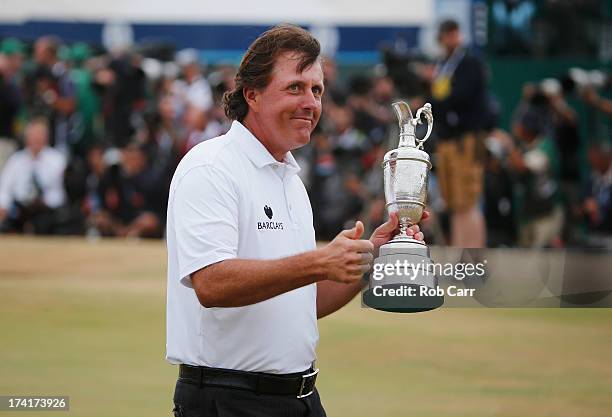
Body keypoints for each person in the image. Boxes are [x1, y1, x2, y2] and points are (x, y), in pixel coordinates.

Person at [166, 25, 426, 417]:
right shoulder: (210, 167)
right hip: (227, 399)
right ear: (251, 94)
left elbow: (303, 301)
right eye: (295, 88)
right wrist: (320, 262)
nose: (311, 102)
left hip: (301, 398)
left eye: (317, 90)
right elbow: (211, 282)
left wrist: (368, 258)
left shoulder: (289, 178)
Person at [428, 19, 488, 247]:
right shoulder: (442, 63)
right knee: (454, 203)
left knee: (467, 202)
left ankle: (472, 260)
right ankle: (461, 259)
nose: (451, 38)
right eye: (447, 33)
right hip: (447, 139)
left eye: (454, 33)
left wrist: (435, 100)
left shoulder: (469, 63)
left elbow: (458, 96)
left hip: (465, 139)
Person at [0, 118, 67, 234]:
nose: (36, 139)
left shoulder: (57, 160)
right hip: (20, 210)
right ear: (26, 138)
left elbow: (60, 192)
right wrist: (3, 206)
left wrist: (45, 202)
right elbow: (5, 188)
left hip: (46, 211)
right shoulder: (16, 160)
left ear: (46, 137)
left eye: (40, 135)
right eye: (33, 135)